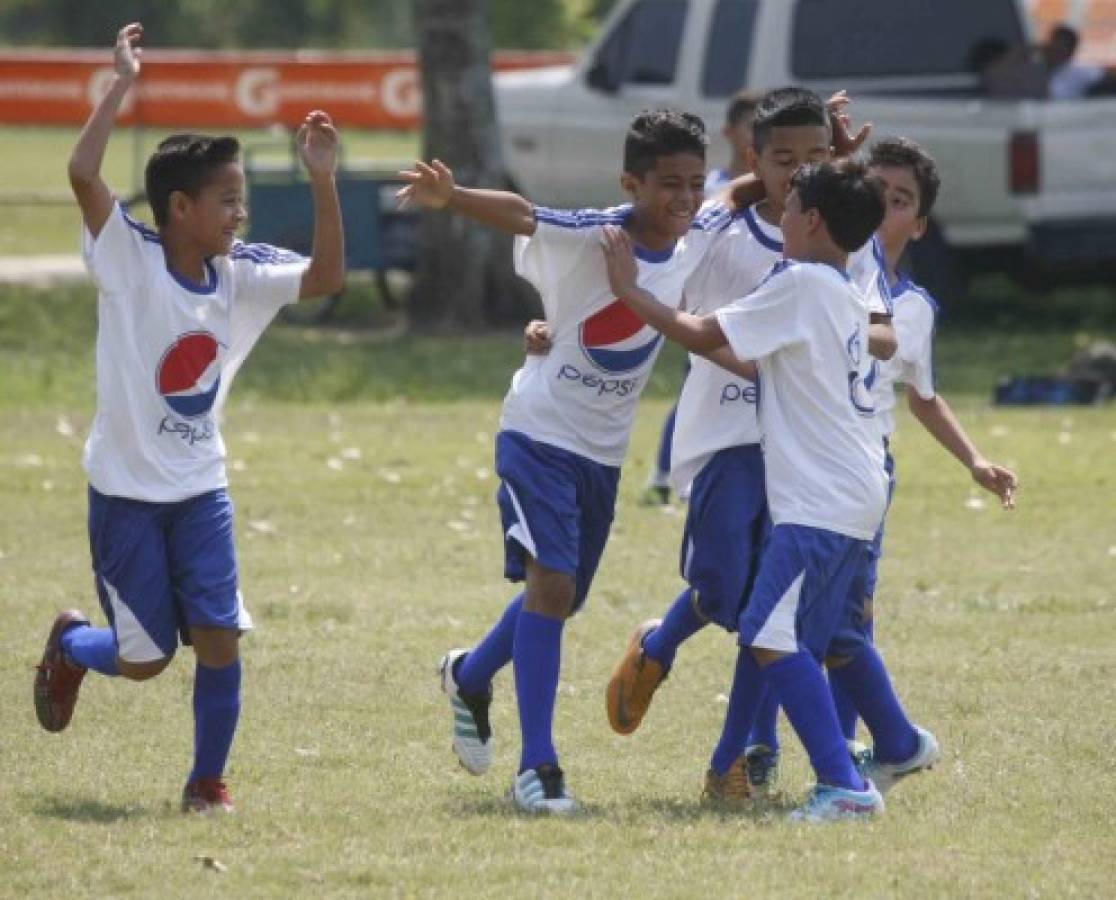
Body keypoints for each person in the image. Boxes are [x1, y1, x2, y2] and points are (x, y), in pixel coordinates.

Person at [31, 22, 344, 814]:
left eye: (242, 199)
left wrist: (323, 180)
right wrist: (123, 83)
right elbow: (80, 170)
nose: (240, 213)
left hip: (201, 489)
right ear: (179, 206)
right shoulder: (126, 255)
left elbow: (330, 277)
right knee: (144, 661)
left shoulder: (243, 272)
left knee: (218, 639)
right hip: (126, 494)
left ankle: (206, 784)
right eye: (227, 200)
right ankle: (70, 645)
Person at [397, 110, 734, 814]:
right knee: (551, 587)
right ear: (630, 182)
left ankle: (470, 672)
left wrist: (809, 157)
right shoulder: (599, 235)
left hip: (603, 455)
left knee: (560, 597)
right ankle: (539, 770)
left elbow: (742, 195)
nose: (684, 196)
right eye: (668, 182)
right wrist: (452, 197)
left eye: (695, 183)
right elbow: (524, 214)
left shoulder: (696, 234)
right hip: (539, 433)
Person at [603, 158, 924, 820]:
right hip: (858, 488)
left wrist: (631, 291)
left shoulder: (801, 283)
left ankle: (842, 785)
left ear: (808, 220)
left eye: (791, 205)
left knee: (768, 631)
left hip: (820, 500)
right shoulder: (840, 290)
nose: (780, 217)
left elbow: (702, 331)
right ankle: (893, 746)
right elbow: (750, 359)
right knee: (810, 635)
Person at [820, 137, 1018, 769]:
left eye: (899, 199)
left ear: (921, 223)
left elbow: (924, 399)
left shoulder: (915, 310)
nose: (883, 206)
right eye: (874, 191)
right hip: (805, 456)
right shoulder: (826, 268)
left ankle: (865, 742)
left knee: (849, 610)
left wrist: (975, 461)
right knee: (813, 611)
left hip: (864, 469)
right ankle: (839, 742)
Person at [640, 92, 761, 507]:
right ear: (730, 132)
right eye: (750, 125)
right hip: (695, 313)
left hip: (731, 322)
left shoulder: (794, 210)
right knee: (700, 385)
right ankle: (665, 470)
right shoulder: (707, 195)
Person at [1043, 23, 1106, 99]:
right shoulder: (1032, 69)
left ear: (1071, 51)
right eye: (1054, 45)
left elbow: (1104, 76)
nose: (1056, 51)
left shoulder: (1079, 73)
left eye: (1062, 47)